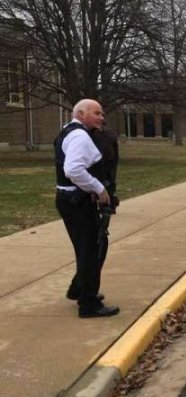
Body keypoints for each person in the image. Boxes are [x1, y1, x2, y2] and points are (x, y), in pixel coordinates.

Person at [55, 99, 120, 318]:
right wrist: (99, 189)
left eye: (102, 113)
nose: (102, 117)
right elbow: (73, 169)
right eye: (97, 113)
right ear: (81, 114)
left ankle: (80, 288)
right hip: (77, 201)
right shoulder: (80, 136)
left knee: (88, 248)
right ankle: (88, 304)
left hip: (69, 199)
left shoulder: (68, 131)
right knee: (94, 249)